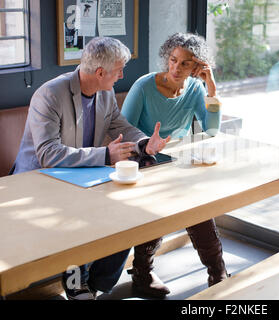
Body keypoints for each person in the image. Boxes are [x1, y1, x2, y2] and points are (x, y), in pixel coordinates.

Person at [12, 37, 171, 300]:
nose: (121, 76)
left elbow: (119, 124)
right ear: (100, 72)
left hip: (85, 174)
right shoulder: (50, 94)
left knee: (131, 212)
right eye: (119, 70)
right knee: (81, 216)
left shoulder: (104, 92)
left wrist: (145, 142)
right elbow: (48, 154)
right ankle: (77, 284)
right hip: (38, 180)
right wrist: (105, 154)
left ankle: (96, 284)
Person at [121, 32, 227, 298]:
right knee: (164, 205)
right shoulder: (144, 86)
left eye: (185, 63)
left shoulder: (195, 89)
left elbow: (211, 130)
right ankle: (142, 271)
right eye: (173, 60)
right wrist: (147, 147)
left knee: (197, 205)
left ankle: (218, 273)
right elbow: (122, 132)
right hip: (142, 160)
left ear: (197, 67)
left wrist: (211, 88)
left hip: (176, 162)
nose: (176, 68)